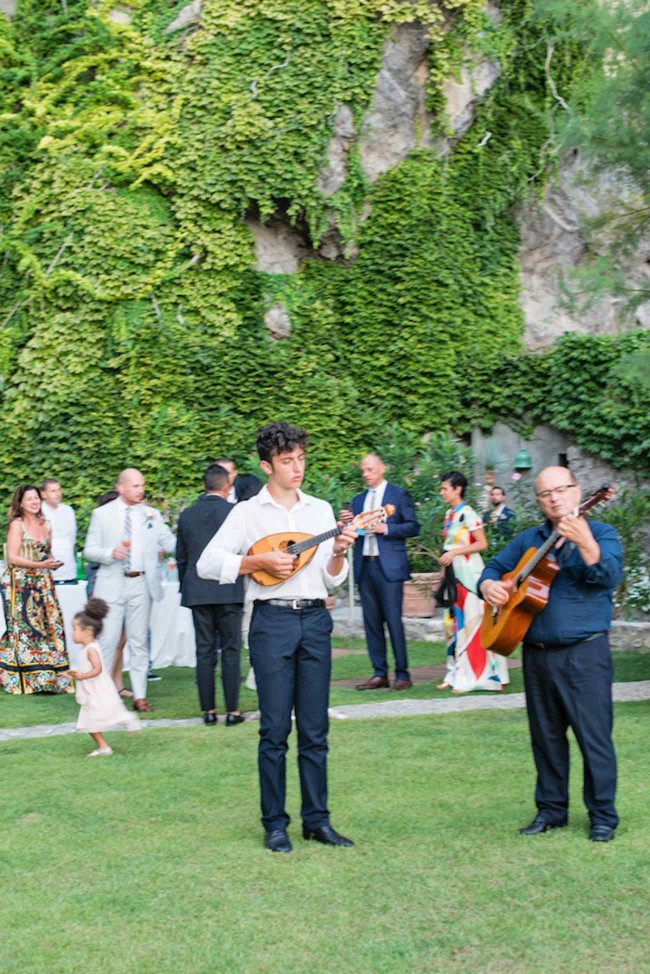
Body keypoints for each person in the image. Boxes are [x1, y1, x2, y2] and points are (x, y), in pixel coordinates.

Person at [197, 422, 357, 853]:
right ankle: (275, 824)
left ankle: (317, 821)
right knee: (272, 730)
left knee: (314, 728)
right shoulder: (247, 513)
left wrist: (339, 552)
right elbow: (207, 564)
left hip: (315, 622)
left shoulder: (320, 511)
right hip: (271, 623)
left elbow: (330, 578)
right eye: (288, 461)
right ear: (267, 465)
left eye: (301, 458)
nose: (297, 467)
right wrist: (256, 561)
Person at [478, 467, 622, 842]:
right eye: (546, 493)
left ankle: (603, 815)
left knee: (594, 738)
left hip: (584, 654)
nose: (555, 497)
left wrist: (586, 542)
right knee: (545, 737)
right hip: (536, 653)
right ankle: (551, 810)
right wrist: (490, 585)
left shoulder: (602, 533)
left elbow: (607, 577)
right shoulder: (530, 539)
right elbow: (491, 568)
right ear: (539, 501)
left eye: (562, 490)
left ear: (578, 492)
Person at [83, 468, 175, 713]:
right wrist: (109, 553)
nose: (141, 490)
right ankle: (98, 696)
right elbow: (88, 550)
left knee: (138, 641)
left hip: (141, 584)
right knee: (108, 641)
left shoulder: (152, 515)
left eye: (142, 485)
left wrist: (194, 536)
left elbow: (170, 543)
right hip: (111, 583)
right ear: (121, 487)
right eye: (135, 486)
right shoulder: (102, 514)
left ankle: (140, 696)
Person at [342, 454, 420, 691]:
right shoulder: (358, 500)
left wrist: (388, 528)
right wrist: (345, 523)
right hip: (366, 565)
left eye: (370, 469)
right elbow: (353, 531)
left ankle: (402, 673)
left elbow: (414, 526)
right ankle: (379, 673)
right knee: (371, 623)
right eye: (363, 470)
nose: (366, 474)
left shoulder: (398, 494)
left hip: (389, 567)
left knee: (394, 621)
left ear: (382, 468)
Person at [176, 464, 245, 725]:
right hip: (229, 588)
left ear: (204, 486)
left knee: (204, 651)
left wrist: (186, 587)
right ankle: (233, 711)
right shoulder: (235, 513)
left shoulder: (187, 515)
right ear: (227, 486)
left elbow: (182, 558)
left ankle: (208, 711)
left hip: (198, 589)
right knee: (231, 650)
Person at [437, 471, 509, 693]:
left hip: (469, 574)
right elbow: (448, 546)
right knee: (452, 623)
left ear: (458, 489)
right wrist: (444, 568)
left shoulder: (468, 513)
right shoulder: (450, 514)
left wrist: (455, 552)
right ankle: (456, 671)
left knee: (471, 623)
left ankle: (476, 676)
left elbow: (481, 543)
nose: (441, 493)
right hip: (453, 574)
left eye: (445, 489)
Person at [0, 485, 74, 694]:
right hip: (19, 583)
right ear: (20, 503)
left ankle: (49, 677)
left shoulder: (47, 525)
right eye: (29, 499)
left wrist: (51, 563)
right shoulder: (17, 524)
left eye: (36, 498)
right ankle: (24, 679)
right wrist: (42, 566)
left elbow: (46, 554)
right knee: (24, 630)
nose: (34, 502)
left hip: (43, 582)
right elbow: (12, 557)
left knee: (50, 627)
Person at [67, 598, 140, 757]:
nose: (72, 633)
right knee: (89, 720)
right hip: (90, 689)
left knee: (106, 711)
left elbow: (98, 669)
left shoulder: (91, 649)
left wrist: (82, 676)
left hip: (97, 689)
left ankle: (128, 719)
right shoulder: (86, 649)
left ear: (87, 631)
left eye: (75, 629)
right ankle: (103, 747)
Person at [85, 489, 132, 698]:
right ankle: (97, 687)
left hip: (126, 587)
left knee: (121, 641)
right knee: (105, 640)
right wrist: (111, 553)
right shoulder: (100, 526)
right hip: (102, 586)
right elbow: (92, 558)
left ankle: (117, 684)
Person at [40, 478, 78, 585]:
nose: (57, 494)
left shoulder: (68, 510)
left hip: (69, 568)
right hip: (47, 570)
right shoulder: (39, 512)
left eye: (59, 490)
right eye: (53, 491)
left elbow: (72, 538)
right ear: (43, 494)